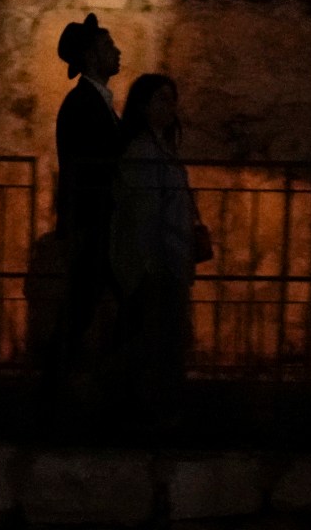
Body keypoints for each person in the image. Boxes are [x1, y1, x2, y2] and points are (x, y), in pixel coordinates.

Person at [111, 73, 205, 418]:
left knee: (165, 344)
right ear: (142, 106)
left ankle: (154, 413)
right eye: (161, 99)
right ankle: (150, 416)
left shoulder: (160, 150)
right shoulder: (143, 153)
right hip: (159, 266)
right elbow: (145, 217)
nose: (170, 106)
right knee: (159, 345)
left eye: (172, 99)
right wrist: (150, 267)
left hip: (169, 262)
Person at [40, 13, 122, 406]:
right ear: (91, 57)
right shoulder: (83, 104)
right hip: (96, 221)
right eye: (108, 46)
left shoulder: (90, 102)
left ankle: (59, 382)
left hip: (97, 221)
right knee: (84, 305)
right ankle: (55, 385)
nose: (117, 51)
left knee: (88, 304)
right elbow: (89, 165)